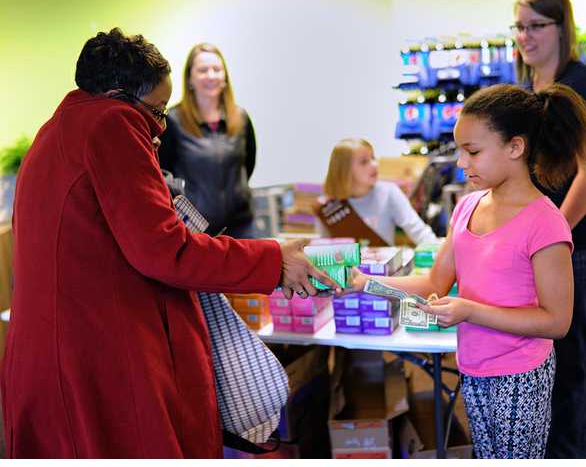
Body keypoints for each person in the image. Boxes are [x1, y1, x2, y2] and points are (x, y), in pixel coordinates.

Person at [0, 28, 337, 459]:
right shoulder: (111, 123)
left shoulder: (59, 128)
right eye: (157, 110)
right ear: (120, 93)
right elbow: (164, 249)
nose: (159, 128)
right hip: (99, 354)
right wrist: (273, 260)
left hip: (58, 351)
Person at [348, 83, 586, 458]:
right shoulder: (467, 207)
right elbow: (434, 281)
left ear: (515, 147)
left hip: (519, 376)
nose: (461, 163)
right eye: (460, 150)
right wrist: (365, 283)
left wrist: (469, 310)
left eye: (473, 151)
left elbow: (557, 321)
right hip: (473, 365)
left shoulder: (545, 224)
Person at [512, 0, 586, 458]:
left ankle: (576, 453)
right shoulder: (527, 84)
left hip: (577, 244)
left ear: (560, 28)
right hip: (537, 244)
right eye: (518, 27)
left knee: (571, 359)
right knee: (541, 359)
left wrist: (555, 235)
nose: (525, 37)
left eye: (535, 26)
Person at [159, 43, 257, 238]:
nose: (211, 76)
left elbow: (248, 164)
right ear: (190, 78)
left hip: (241, 226)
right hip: (196, 231)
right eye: (203, 70)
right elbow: (163, 174)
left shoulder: (241, 117)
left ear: (225, 77)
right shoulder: (172, 120)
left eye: (217, 70)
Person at [314, 137, 438, 247]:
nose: (374, 165)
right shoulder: (327, 207)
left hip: (382, 270)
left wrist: (439, 252)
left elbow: (417, 230)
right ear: (344, 170)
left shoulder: (389, 192)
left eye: (373, 158)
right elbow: (323, 247)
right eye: (364, 162)